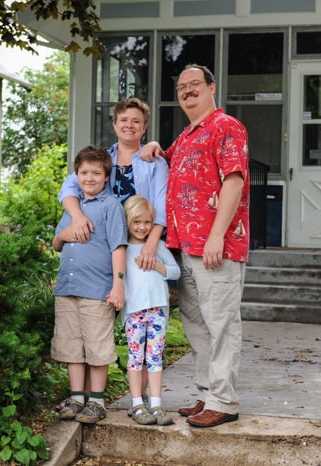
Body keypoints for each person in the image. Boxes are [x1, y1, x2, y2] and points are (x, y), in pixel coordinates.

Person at [140, 64, 250, 428]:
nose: (187, 91)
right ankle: (207, 393)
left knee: (221, 324)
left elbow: (233, 181)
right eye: (181, 87)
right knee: (197, 325)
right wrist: (156, 146)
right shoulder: (188, 134)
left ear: (211, 87)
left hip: (216, 247)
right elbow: (170, 161)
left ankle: (225, 400)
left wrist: (217, 234)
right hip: (185, 246)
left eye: (194, 85)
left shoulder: (226, 126)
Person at [57, 97, 169, 405]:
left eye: (136, 121)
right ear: (114, 124)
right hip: (101, 249)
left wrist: (150, 246)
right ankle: (97, 395)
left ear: (144, 127)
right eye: (124, 120)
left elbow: (161, 204)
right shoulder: (101, 160)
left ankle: (142, 398)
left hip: (137, 247)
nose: (129, 125)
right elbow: (69, 187)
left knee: (142, 318)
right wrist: (78, 216)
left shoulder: (153, 161)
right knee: (104, 319)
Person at [51, 145, 127, 424]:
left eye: (96, 173)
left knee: (97, 346)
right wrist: (65, 234)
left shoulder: (111, 206)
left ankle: (96, 399)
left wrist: (118, 286)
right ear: (77, 174)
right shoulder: (73, 205)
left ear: (106, 176)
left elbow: (118, 248)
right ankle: (76, 397)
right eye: (84, 172)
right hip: (68, 288)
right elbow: (57, 242)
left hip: (97, 290)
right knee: (71, 345)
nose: (90, 178)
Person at [121, 195, 180, 426]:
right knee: (136, 359)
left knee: (155, 359)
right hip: (134, 311)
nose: (142, 227)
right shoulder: (122, 249)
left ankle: (156, 405)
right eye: (136, 222)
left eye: (147, 222)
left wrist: (156, 264)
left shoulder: (157, 246)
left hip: (158, 311)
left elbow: (176, 272)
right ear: (128, 221)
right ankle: (137, 403)